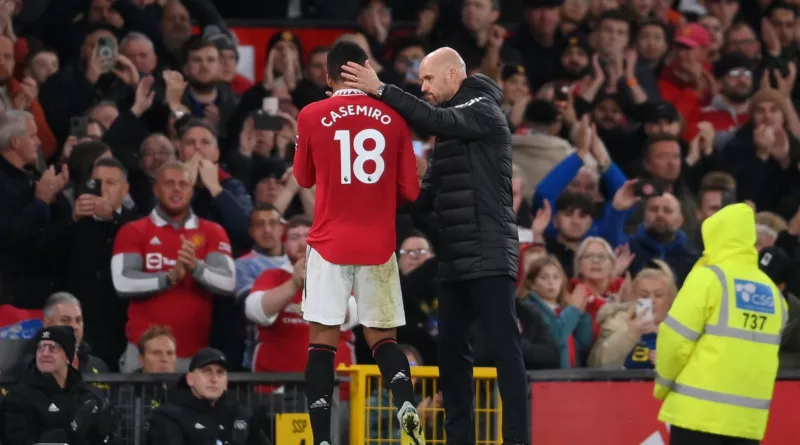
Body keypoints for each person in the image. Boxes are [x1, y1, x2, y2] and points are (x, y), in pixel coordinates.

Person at [341, 47, 528, 444]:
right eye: (420, 81)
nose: (422, 87)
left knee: (503, 347)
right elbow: (424, 198)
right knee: (451, 352)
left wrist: (380, 90)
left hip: (490, 251)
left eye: (427, 79)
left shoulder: (482, 108)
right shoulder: (449, 132)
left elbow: (434, 118)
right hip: (454, 256)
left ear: (452, 75)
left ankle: (517, 439)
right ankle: (458, 437)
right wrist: (370, 199)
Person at [293, 41, 423, 445]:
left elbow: (303, 178)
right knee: (383, 339)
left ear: (327, 76)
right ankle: (406, 408)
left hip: (329, 241)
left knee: (322, 342)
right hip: (379, 243)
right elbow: (412, 192)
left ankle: (321, 439)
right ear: (366, 70)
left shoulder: (311, 114)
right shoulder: (394, 118)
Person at [654, 203, 787, 445]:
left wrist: (663, 384)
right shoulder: (773, 294)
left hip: (696, 416)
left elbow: (674, 339)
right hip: (747, 423)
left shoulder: (708, 278)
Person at [111, 161, 236, 372]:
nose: (176, 189)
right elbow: (123, 282)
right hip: (143, 353)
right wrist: (168, 278)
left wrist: (196, 267)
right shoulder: (133, 231)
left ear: (192, 191)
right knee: (138, 406)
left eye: (183, 184)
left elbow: (228, 281)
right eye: (169, 183)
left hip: (195, 352)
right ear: (156, 189)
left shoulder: (212, 232)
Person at [2, 326, 120, 445]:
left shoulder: (85, 395)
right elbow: (17, 440)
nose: (45, 353)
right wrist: (72, 429)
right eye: (41, 347)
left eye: (53, 347)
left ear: (69, 357)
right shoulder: (19, 397)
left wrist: (104, 432)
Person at [147, 347, 268, 445]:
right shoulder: (169, 415)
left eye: (220, 373)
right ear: (190, 379)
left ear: (226, 383)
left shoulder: (240, 415)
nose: (214, 379)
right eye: (207, 371)